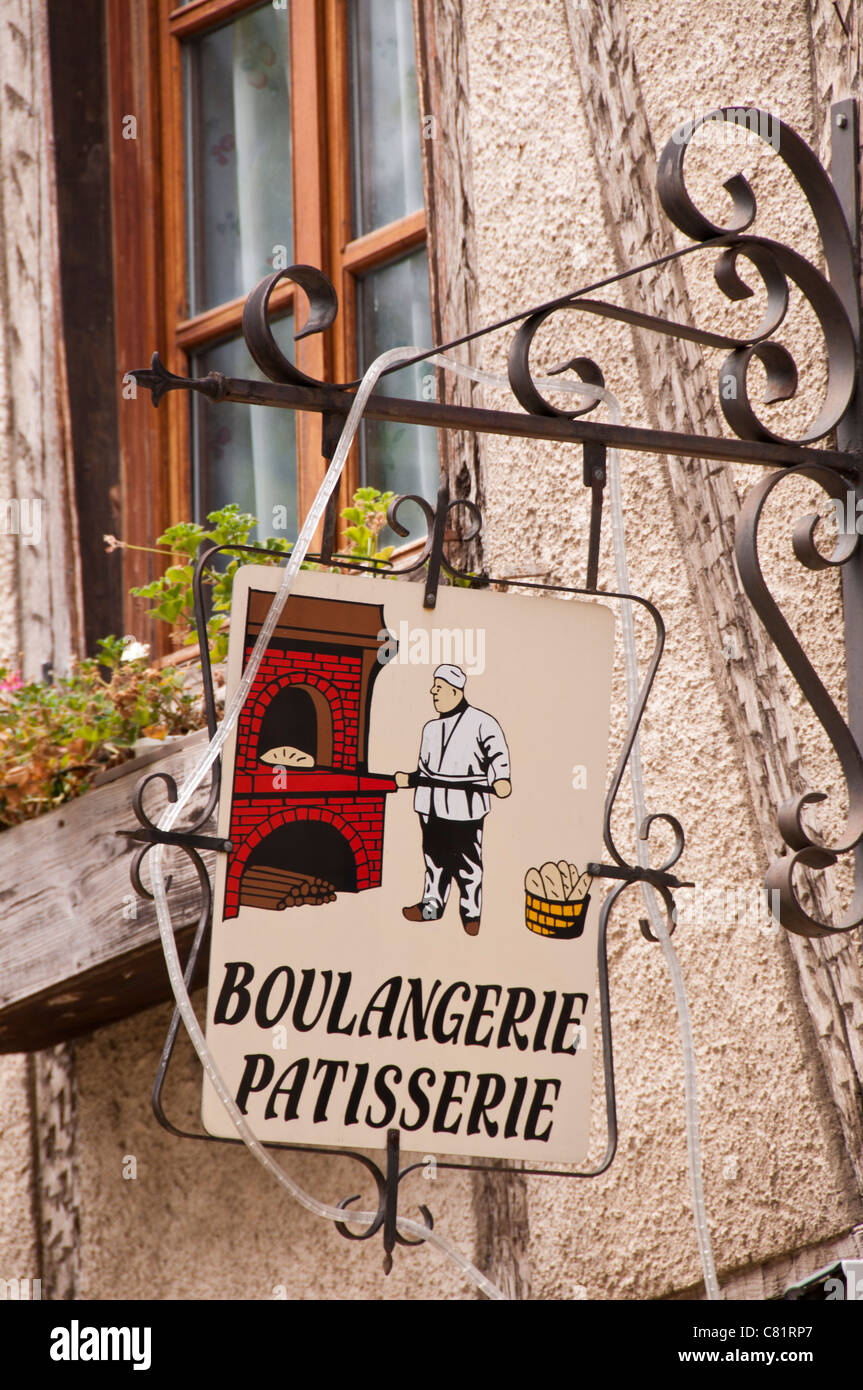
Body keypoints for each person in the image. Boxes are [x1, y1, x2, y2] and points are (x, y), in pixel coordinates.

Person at [395, 664, 511, 936]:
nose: (433, 691)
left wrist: (500, 779)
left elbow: (498, 754)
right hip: (432, 804)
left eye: (439, 687)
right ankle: (431, 906)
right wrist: (409, 779)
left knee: (468, 863)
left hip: (465, 805)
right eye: (434, 686)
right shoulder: (431, 728)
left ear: (456, 691)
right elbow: (425, 770)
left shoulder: (482, 722)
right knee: (434, 860)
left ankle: (471, 913)